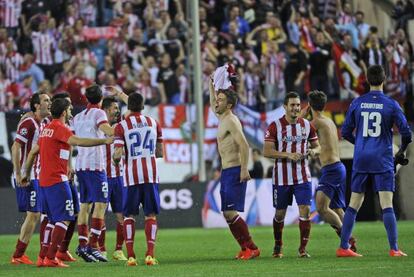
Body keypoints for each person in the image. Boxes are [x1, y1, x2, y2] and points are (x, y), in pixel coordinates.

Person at [21, 98, 113, 267]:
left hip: (43, 180)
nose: (71, 112)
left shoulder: (45, 130)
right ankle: (50, 257)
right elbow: (78, 141)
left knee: (51, 220)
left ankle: (42, 257)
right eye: (69, 109)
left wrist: (25, 173)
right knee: (65, 218)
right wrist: (104, 140)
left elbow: (33, 152)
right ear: (63, 112)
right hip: (57, 181)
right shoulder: (59, 128)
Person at [337, 65, 412, 257]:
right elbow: (406, 133)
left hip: (361, 158)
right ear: (384, 78)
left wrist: (360, 143)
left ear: (367, 80)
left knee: (354, 203)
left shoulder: (357, 102)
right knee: (386, 203)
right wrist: (401, 151)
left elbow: (345, 131)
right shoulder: (391, 104)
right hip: (383, 159)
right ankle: (394, 249)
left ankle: (344, 246)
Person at [263, 92, 321, 258]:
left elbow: (319, 147)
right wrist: (288, 155)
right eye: (292, 105)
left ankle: (302, 249)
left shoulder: (307, 125)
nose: (296, 108)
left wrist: (313, 151)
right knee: (280, 214)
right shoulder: (275, 126)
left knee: (305, 209)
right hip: (281, 178)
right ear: (285, 107)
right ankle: (278, 245)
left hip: (303, 176)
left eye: (298, 105)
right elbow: (266, 151)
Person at [209, 75, 260, 260]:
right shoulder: (222, 117)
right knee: (227, 213)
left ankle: (252, 247)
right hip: (226, 171)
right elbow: (211, 100)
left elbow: (245, 145)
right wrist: (211, 83)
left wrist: (245, 169)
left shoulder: (231, 120)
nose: (217, 101)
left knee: (230, 212)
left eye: (221, 99)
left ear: (229, 105)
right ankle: (245, 248)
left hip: (235, 169)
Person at [302, 90, 356, 252]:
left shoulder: (316, 123)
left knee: (321, 208)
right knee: (338, 209)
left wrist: (304, 115)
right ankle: (350, 242)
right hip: (338, 167)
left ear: (310, 105)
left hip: (332, 170)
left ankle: (347, 240)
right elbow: (323, 145)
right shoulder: (329, 121)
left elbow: (297, 128)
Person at [113, 93, 163, 266]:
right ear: (143, 106)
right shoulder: (154, 123)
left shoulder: (121, 126)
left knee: (129, 215)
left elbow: (118, 155)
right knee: (150, 215)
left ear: (128, 107)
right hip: (150, 175)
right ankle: (150, 255)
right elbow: (160, 153)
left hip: (131, 177)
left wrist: (116, 158)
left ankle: (132, 256)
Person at [72, 85, 116, 262]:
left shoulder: (77, 117)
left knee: (85, 205)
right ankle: (93, 246)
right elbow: (108, 131)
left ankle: (83, 245)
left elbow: (74, 140)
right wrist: (122, 130)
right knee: (101, 204)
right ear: (100, 99)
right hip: (95, 166)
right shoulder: (99, 114)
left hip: (81, 165)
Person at [10, 92, 51, 265]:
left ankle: (20, 254)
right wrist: (18, 173)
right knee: (33, 214)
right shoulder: (29, 122)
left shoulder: (44, 123)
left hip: (38, 174)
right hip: (28, 175)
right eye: (46, 100)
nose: (49, 103)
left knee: (36, 214)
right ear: (36, 105)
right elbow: (16, 146)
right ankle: (18, 255)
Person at [98, 96, 127, 261]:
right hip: (103, 177)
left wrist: (121, 93)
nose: (118, 111)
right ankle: (101, 249)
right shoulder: (99, 126)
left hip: (119, 178)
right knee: (99, 215)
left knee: (121, 215)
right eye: (115, 108)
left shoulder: (121, 126)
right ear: (106, 109)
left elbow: (136, 105)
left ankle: (118, 250)